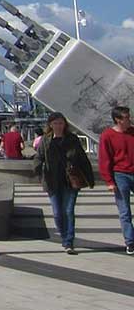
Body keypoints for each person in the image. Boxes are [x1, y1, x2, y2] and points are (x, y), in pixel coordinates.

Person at [32, 111, 94, 254]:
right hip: (52, 180)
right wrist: (37, 170)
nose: (58, 126)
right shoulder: (45, 140)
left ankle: (68, 242)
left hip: (70, 180)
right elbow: (39, 157)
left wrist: (89, 178)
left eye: (61, 123)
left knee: (68, 211)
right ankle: (64, 235)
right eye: (55, 123)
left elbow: (82, 158)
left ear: (65, 124)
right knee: (57, 213)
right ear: (50, 125)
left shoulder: (72, 139)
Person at [97, 105, 134, 255]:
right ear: (118, 120)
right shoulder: (107, 135)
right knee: (125, 210)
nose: (129, 120)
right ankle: (130, 242)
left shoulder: (132, 132)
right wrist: (109, 181)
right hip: (120, 175)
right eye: (126, 118)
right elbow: (104, 159)